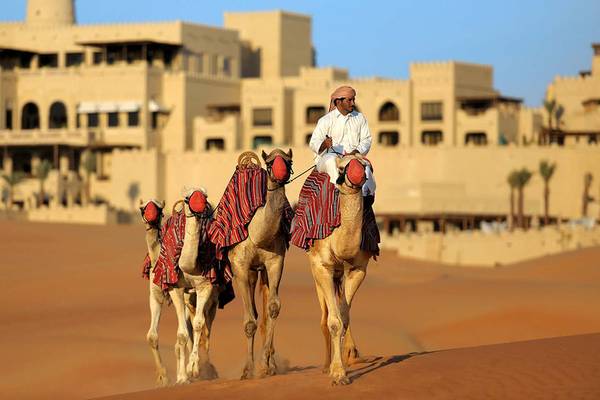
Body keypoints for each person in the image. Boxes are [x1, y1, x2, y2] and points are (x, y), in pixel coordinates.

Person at [308, 85, 376, 197]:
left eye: (353, 99)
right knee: (331, 161)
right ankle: (338, 190)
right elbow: (313, 142)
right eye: (349, 100)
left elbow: (366, 139)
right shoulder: (325, 120)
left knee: (367, 167)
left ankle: (366, 196)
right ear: (338, 102)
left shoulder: (360, 118)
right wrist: (324, 144)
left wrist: (356, 151)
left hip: (353, 157)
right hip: (329, 157)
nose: (353, 103)